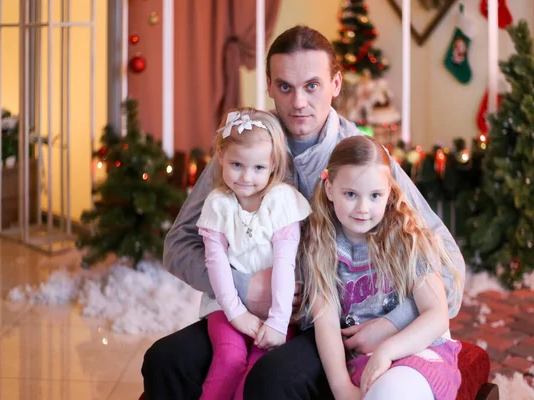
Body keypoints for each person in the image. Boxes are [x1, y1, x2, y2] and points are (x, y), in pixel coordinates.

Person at [142, 25, 465, 400]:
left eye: (312, 85)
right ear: (268, 85)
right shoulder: (243, 151)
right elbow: (177, 245)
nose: (298, 102)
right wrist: (243, 287)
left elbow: (448, 265)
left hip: (327, 323)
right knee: (164, 360)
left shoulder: (362, 158)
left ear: (336, 83)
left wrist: (392, 323)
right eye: (285, 87)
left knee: (274, 379)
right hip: (243, 313)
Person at [300, 135, 462, 400]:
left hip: (419, 349)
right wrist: (341, 388)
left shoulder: (407, 237)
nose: (363, 208)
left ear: (389, 192)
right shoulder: (321, 244)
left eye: (375, 195)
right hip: (364, 361)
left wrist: (387, 350)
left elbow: (436, 315)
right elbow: (326, 324)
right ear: (329, 189)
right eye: (350, 194)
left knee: (391, 393)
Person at [196, 107, 310, 400]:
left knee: (261, 372)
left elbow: (286, 264)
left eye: (258, 168)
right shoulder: (218, 204)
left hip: (278, 309)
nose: (246, 177)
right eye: (236, 164)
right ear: (221, 157)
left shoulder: (281, 202)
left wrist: (278, 321)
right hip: (225, 306)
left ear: (273, 165)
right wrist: (236, 314)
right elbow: (216, 263)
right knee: (230, 358)